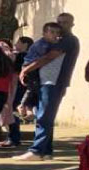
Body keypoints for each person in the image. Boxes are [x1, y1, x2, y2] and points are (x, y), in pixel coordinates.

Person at [15, 13, 80, 161]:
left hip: (54, 83)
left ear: (71, 25)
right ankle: (46, 151)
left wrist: (26, 69)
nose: (61, 25)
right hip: (45, 82)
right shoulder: (57, 40)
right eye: (59, 22)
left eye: (65, 23)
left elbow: (49, 57)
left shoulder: (68, 40)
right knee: (43, 116)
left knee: (44, 116)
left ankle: (37, 151)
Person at [17, 23, 62, 121]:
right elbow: (46, 57)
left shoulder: (49, 43)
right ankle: (22, 105)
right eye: (52, 32)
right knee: (32, 88)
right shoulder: (42, 44)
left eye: (57, 32)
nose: (55, 35)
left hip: (34, 68)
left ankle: (29, 111)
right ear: (44, 33)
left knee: (35, 90)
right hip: (30, 67)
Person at [1, 36, 34, 148]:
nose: (16, 44)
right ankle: (13, 137)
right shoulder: (29, 56)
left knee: (13, 110)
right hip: (22, 86)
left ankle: (13, 138)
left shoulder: (22, 56)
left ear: (25, 44)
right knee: (14, 110)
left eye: (18, 42)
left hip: (18, 86)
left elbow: (14, 69)